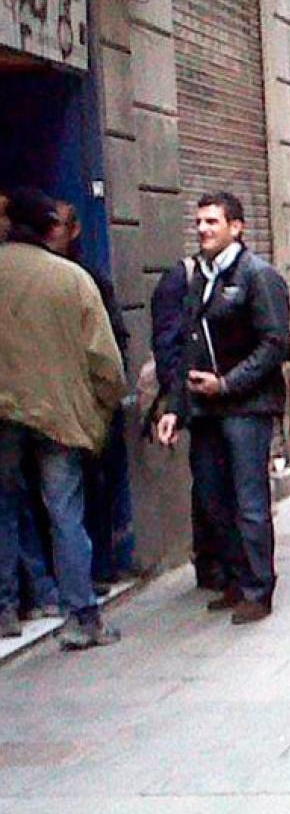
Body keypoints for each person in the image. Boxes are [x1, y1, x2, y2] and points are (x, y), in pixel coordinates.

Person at [155, 192, 290, 626]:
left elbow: (275, 344)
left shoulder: (258, 276)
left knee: (249, 500)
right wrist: (174, 407)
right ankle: (235, 579)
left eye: (212, 221)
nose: (202, 229)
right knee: (213, 499)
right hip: (206, 409)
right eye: (199, 222)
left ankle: (258, 588)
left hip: (247, 407)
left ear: (236, 227)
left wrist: (228, 383)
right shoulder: (201, 278)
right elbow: (188, 347)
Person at [0, 188, 126, 647]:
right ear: (48, 226)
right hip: (59, 414)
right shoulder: (72, 279)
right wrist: (105, 407)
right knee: (65, 513)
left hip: (3, 414)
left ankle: (5, 610)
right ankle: (81, 618)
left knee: (3, 509)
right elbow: (105, 359)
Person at [47, 201, 136, 589]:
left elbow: (114, 343)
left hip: (89, 404)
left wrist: (106, 399)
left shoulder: (90, 280)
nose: (52, 232)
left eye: (59, 224)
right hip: (55, 404)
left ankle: (98, 567)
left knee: (94, 488)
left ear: (75, 230)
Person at [148, 253, 220, 589]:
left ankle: (229, 563)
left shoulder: (244, 273)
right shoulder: (180, 278)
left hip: (236, 397)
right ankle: (210, 562)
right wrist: (175, 403)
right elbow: (167, 346)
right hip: (198, 401)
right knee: (208, 483)